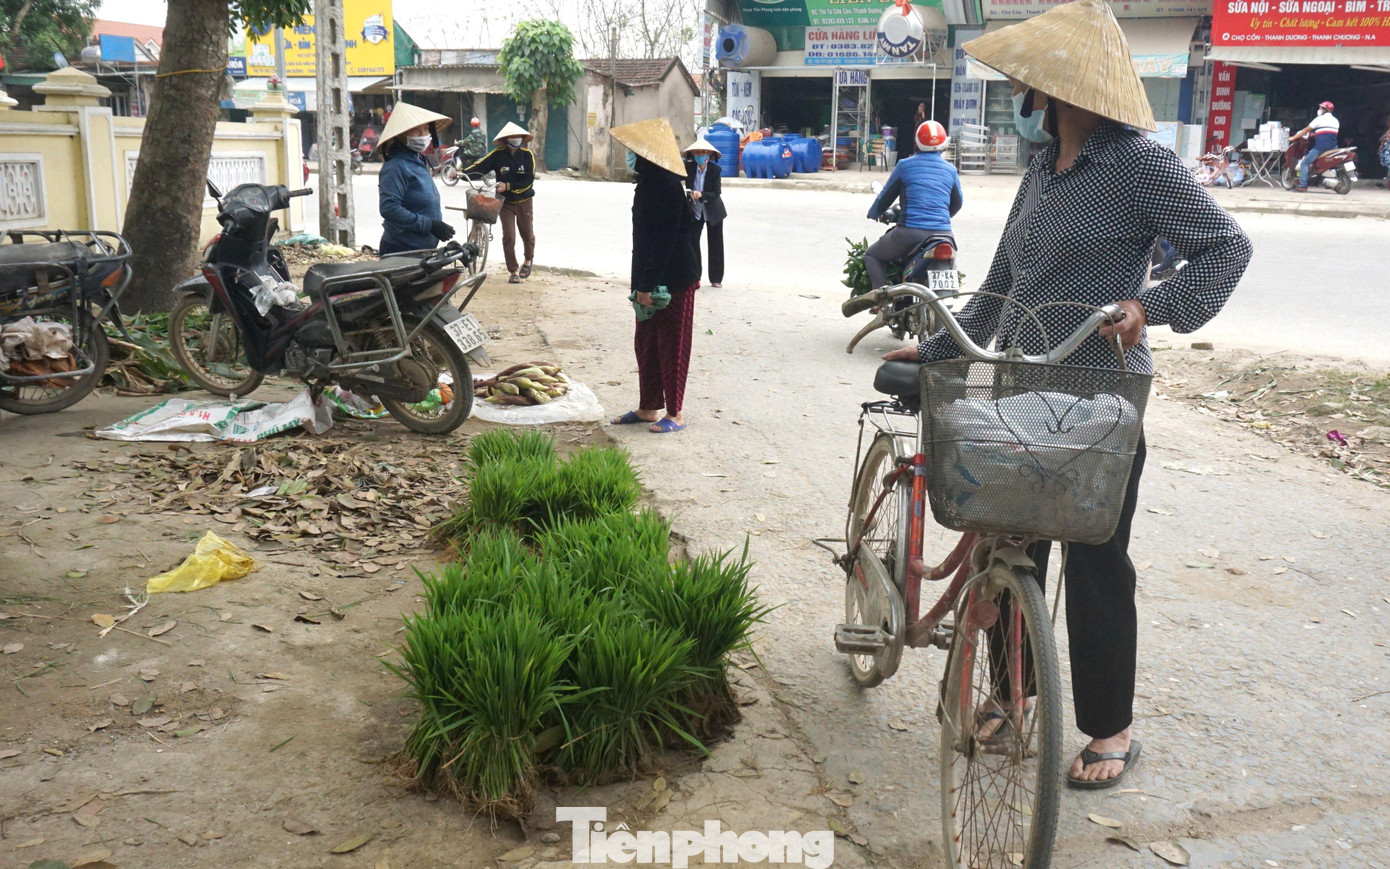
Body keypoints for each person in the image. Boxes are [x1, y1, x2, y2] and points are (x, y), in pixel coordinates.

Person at [883, 0, 1252, 788]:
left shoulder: (1139, 166)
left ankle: (1111, 728)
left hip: (1101, 402)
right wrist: (941, 343)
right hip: (1022, 388)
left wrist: (1152, 305)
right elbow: (1000, 287)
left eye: (1036, 86)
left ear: (1064, 91)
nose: (1026, 96)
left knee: (1095, 560)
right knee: (1009, 541)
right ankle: (1013, 693)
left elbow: (1228, 246)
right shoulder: (1040, 172)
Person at [607, 118, 700, 434]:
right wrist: (639, 286)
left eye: (633, 151)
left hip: (675, 278)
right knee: (646, 344)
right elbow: (643, 242)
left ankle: (675, 412)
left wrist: (647, 285)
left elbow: (664, 242)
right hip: (649, 278)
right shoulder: (648, 183)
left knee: (671, 346)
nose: (630, 156)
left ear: (647, 154)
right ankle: (648, 407)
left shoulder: (667, 187)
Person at [864, 119, 962, 290]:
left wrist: (873, 213)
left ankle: (881, 300)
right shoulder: (951, 170)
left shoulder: (904, 166)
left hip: (909, 234)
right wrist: (943, 218)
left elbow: (885, 198)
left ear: (917, 142)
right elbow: (957, 203)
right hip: (944, 235)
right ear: (943, 144)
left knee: (872, 256)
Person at [375, 102, 454, 256]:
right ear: (401, 135)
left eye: (426, 129)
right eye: (416, 130)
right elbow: (389, 208)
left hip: (422, 248)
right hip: (402, 249)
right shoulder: (395, 167)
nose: (423, 134)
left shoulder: (418, 158)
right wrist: (429, 224)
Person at [463, 122, 536, 284]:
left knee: (527, 234)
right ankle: (513, 270)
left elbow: (528, 181)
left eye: (518, 136)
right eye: (512, 136)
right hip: (505, 203)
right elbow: (480, 166)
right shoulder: (497, 155)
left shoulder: (527, 155)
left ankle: (528, 260)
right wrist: (461, 173)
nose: (515, 138)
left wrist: (507, 186)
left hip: (524, 201)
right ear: (505, 139)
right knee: (509, 236)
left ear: (522, 138)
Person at [683, 138, 727, 289]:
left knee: (715, 244)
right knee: (692, 243)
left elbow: (716, 192)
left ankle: (716, 278)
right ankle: (695, 277)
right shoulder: (688, 168)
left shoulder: (715, 170)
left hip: (713, 211)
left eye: (703, 152)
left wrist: (701, 194)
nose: (700, 155)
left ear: (709, 154)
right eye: (697, 153)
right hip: (695, 211)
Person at [1293, 101, 1339, 192]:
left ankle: (1302, 186)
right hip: (1334, 147)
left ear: (1325, 110)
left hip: (1321, 148)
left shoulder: (1319, 119)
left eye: (1321, 108)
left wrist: (1293, 137)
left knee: (1305, 163)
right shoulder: (1335, 120)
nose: (1319, 110)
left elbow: (1306, 130)